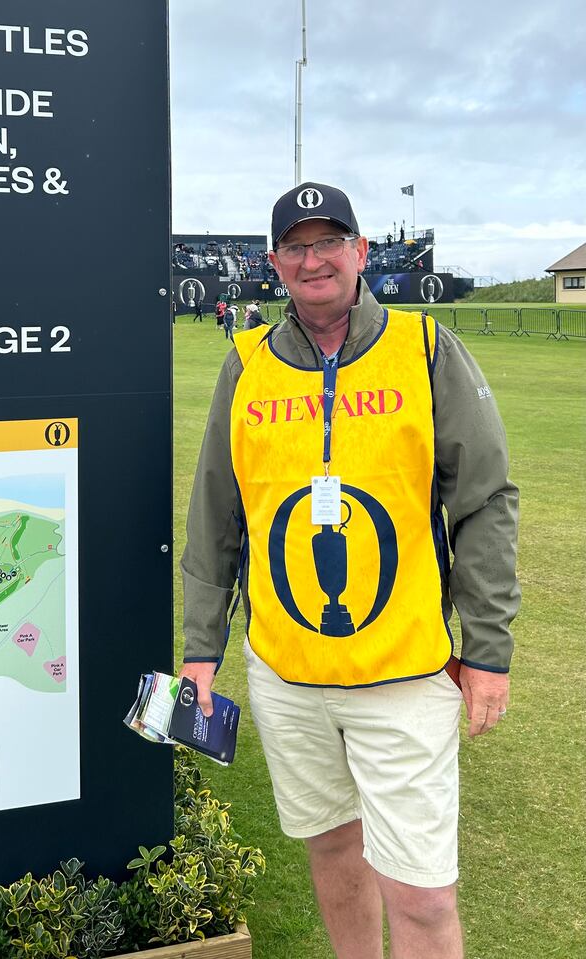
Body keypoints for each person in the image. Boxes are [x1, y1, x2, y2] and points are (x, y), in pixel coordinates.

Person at [180, 182, 519, 959]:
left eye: (329, 241)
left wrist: (489, 646)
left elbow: (486, 500)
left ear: (361, 252)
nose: (313, 258)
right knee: (333, 855)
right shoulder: (247, 363)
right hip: (287, 675)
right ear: (274, 264)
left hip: (402, 672)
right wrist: (202, 649)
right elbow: (214, 517)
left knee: (425, 897)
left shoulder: (425, 348)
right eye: (295, 246)